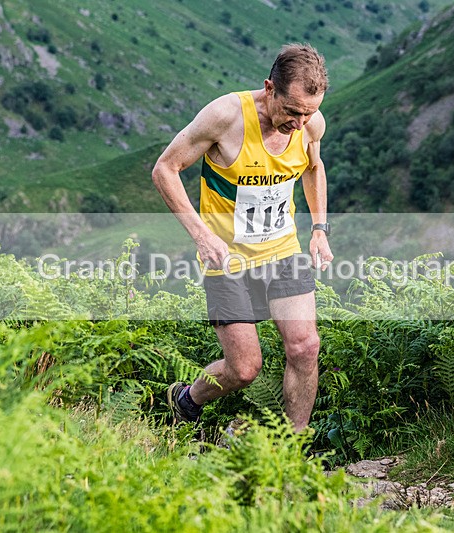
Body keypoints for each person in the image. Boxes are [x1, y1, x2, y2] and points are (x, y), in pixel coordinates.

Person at [151, 43, 333, 432]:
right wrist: (200, 235)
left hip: (283, 249)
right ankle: (186, 399)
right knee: (244, 368)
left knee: (305, 347)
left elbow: (314, 168)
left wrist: (319, 229)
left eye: (309, 113)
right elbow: (165, 169)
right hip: (226, 259)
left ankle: (290, 449)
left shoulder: (310, 124)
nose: (300, 123)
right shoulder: (225, 116)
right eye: (292, 111)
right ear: (270, 88)